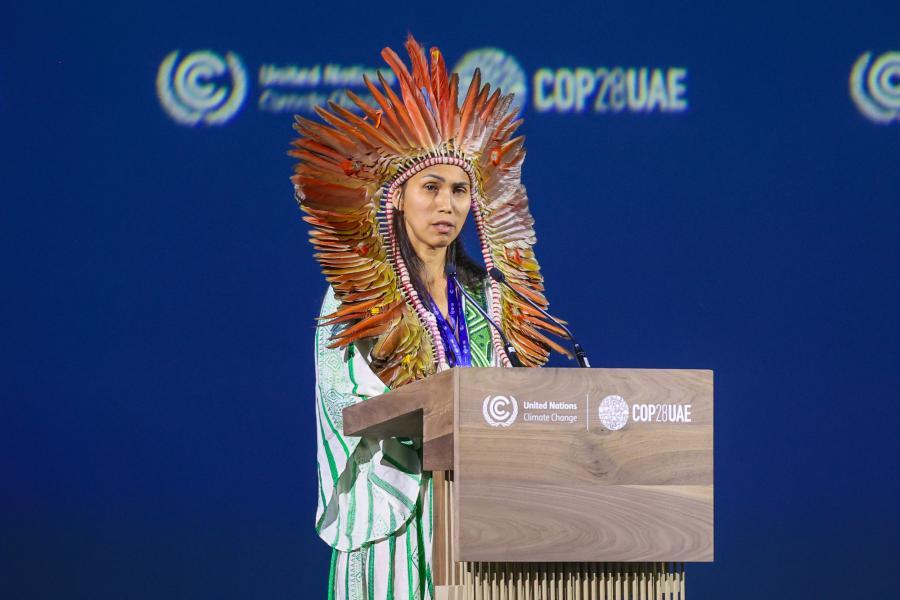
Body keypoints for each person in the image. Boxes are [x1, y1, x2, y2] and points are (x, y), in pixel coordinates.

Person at [291, 34, 564, 600]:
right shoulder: (351, 295)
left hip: (476, 516)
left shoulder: (485, 300)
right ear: (397, 197)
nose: (447, 205)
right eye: (431, 188)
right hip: (396, 514)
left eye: (461, 190)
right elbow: (344, 403)